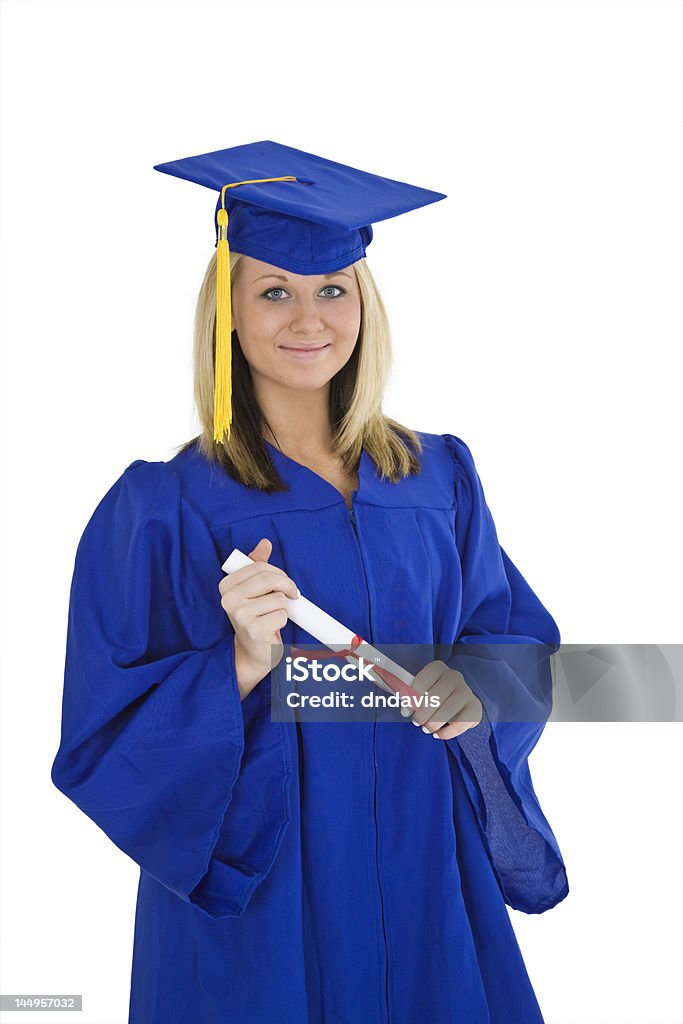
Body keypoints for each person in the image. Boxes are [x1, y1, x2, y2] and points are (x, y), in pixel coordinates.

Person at [51, 140, 569, 1024]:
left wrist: (472, 687)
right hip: (267, 880)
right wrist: (243, 660)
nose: (308, 318)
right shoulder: (165, 504)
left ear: (363, 304)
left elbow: (512, 637)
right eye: (273, 292)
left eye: (332, 290)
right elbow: (103, 732)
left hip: (423, 861)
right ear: (230, 311)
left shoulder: (437, 477)